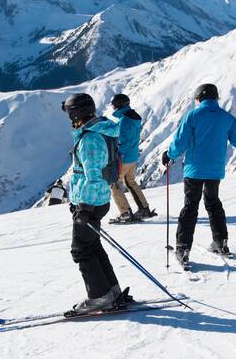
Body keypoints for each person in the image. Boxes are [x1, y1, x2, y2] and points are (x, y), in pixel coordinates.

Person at [162, 83, 236, 264]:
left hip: (194, 171)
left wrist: (169, 155)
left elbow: (180, 142)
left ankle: (183, 249)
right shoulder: (226, 118)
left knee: (190, 207)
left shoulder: (193, 116)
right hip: (214, 171)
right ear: (215, 98)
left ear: (199, 99)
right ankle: (221, 243)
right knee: (213, 204)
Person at [61, 93, 125, 314]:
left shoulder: (90, 139)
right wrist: (78, 202)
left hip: (92, 202)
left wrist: (85, 207)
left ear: (76, 114)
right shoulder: (97, 132)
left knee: (81, 250)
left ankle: (99, 297)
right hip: (95, 200)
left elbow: (93, 176)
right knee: (93, 246)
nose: (69, 118)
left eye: (70, 113)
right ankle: (112, 291)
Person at [107, 93, 156, 224]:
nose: (113, 108)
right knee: (130, 181)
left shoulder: (124, 120)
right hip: (133, 156)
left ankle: (125, 213)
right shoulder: (134, 118)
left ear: (118, 105)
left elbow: (121, 141)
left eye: (114, 105)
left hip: (123, 158)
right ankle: (144, 208)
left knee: (114, 183)